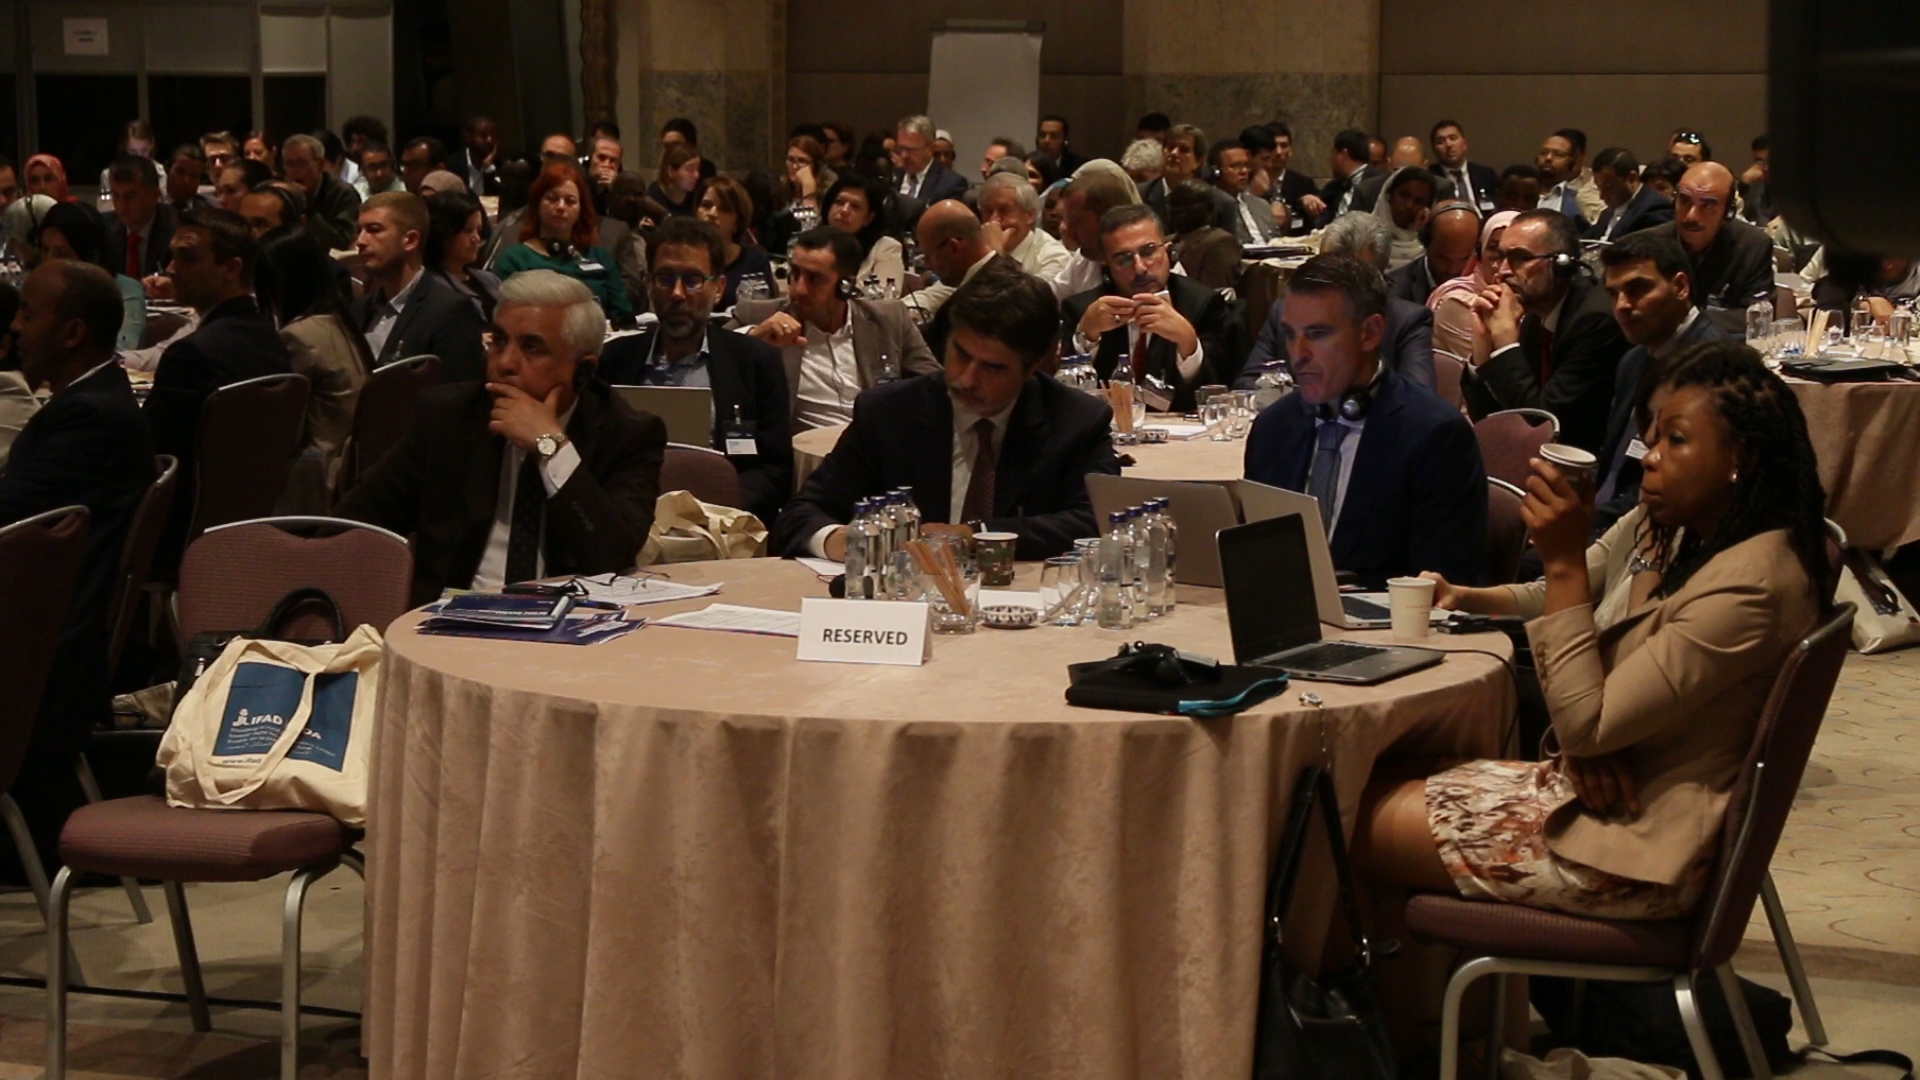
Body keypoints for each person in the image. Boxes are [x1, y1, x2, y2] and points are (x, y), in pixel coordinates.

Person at [1362, 342, 1830, 929]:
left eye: (1675, 440)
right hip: (1611, 798)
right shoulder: (1706, 535)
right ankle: (1413, 986)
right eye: (1652, 438)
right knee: (1362, 780)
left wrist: (1561, 562)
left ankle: (1355, 982)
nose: (1650, 458)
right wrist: (1594, 745)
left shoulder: (1751, 584)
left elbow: (1586, 723)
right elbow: (1606, 713)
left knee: (1342, 818)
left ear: (1742, 457)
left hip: (1632, 851)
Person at [336, 270, 667, 605]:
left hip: (572, 622)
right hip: (452, 620)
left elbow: (612, 556)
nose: (505, 363)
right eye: (498, 341)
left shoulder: (628, 434)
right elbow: (351, 522)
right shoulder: (448, 418)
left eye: (531, 348)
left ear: (583, 370)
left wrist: (552, 448)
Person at [773, 261, 1119, 561]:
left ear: (1031, 369)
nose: (966, 379)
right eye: (961, 355)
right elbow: (800, 514)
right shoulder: (889, 412)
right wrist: (839, 540)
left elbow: (1096, 522)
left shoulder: (1075, 420)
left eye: (993, 368)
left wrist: (976, 536)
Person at [1243, 252, 1486, 587]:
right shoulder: (1273, 429)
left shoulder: (1435, 436)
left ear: (1370, 333)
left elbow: (1443, 589)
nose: (1297, 355)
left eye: (1317, 334)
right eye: (1290, 334)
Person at [0, 261, 155, 767]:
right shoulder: (97, 398)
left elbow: (10, 523)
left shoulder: (90, 419)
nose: (15, 326)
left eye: (28, 313)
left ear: (72, 333)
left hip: (40, 653)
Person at [598, 217, 792, 524]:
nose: (677, 293)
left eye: (693, 280)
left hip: (721, 525)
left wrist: (718, 511)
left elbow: (775, 470)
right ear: (648, 283)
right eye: (665, 278)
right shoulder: (615, 360)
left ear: (719, 289)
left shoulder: (754, 362)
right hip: (630, 522)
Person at [144, 208, 293, 574]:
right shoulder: (270, 340)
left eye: (188, 257)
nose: (172, 269)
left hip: (176, 536)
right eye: (172, 256)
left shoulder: (191, 354)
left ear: (231, 268)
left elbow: (151, 458)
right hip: (250, 523)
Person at [729, 227, 939, 430]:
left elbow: (937, 385)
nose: (799, 289)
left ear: (846, 286)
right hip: (806, 449)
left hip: (876, 442)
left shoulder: (889, 319)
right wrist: (752, 337)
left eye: (815, 279)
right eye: (795, 273)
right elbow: (714, 353)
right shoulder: (760, 315)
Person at [1587, 231, 1726, 532]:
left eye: (1637, 288)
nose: (1622, 305)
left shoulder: (1714, 367)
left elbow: (1680, 489)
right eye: (1613, 294)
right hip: (1607, 516)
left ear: (1680, 287)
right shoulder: (1633, 360)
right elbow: (1612, 464)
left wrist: (1585, 521)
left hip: (1659, 528)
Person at [1468, 209, 1629, 452]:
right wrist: (1483, 352)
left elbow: (1544, 426)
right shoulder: (1535, 317)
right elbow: (1487, 421)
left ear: (1561, 266)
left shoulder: (1596, 321)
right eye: (1501, 257)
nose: (1502, 271)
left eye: (1520, 258)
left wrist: (1505, 344)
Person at [1063, 204, 1241, 412]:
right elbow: (1063, 399)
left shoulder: (1202, 305)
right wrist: (1086, 339)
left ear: (1167, 251)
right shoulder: (1082, 310)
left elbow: (1217, 393)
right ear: (1106, 265)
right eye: (1123, 259)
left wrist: (1188, 343)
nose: (1139, 268)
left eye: (1148, 252)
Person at [1239, 213, 1435, 391]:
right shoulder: (1286, 313)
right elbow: (1247, 384)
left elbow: (1418, 399)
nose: (1335, 287)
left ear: (1380, 276)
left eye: (1351, 279)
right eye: (1326, 272)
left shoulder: (1406, 321)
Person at [256, 227, 374, 512]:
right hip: (352, 463)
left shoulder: (298, 336)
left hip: (316, 474)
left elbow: (284, 428)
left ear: (278, 284)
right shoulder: (339, 320)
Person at [353, 191, 490, 381]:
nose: (360, 241)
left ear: (410, 240)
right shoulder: (359, 309)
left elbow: (458, 393)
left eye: (374, 230)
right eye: (359, 230)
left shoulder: (451, 311)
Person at [494, 160, 633, 318]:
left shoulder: (600, 257)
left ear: (580, 209)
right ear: (537, 205)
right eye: (552, 198)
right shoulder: (514, 260)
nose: (561, 207)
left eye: (570, 201)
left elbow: (623, 313)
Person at [1646, 162, 1775, 313]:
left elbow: (1757, 316)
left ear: (1728, 212)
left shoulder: (1753, 246)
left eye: (1707, 206)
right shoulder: (1651, 245)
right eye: (1685, 201)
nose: (1691, 216)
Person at [903, 200, 1020, 362]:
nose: (928, 265)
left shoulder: (976, 303)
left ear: (954, 247)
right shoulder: (1014, 276)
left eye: (929, 256)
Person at [35, 201, 145, 351]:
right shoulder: (36, 290)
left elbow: (124, 350)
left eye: (61, 254)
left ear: (90, 257)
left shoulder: (125, 291)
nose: (48, 261)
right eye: (44, 249)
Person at [1428, 209, 1517, 361]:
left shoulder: (1536, 298)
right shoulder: (1457, 301)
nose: (1504, 266)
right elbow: (1495, 368)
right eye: (1495, 251)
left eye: (1517, 255)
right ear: (1480, 253)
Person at [1049, 164, 1140, 300]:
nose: (1066, 230)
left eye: (1076, 222)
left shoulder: (1145, 264)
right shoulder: (1083, 261)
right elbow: (1047, 297)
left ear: (1108, 220)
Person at [696, 176, 773, 309]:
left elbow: (763, 312)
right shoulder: (682, 259)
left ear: (738, 222)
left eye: (724, 209)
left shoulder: (755, 263)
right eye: (706, 205)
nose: (712, 213)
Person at [822, 173, 905, 293]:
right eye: (839, 202)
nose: (844, 210)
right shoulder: (812, 242)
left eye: (855, 206)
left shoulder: (885, 248)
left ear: (869, 218)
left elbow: (886, 298)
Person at [1387, 200, 1479, 308]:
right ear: (1425, 242)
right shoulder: (1393, 291)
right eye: (1443, 258)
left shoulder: (1487, 284)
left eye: (1465, 258)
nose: (1453, 270)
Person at [425, 190, 500, 321]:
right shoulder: (429, 287)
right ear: (444, 232)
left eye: (478, 230)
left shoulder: (490, 279)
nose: (476, 238)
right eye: (468, 230)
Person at [281, 133, 362, 251]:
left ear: (320, 165)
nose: (295, 170)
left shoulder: (343, 193)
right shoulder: (282, 192)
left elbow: (342, 241)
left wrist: (305, 207)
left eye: (302, 163)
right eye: (289, 164)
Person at [104, 155, 176, 280]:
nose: (121, 205)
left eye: (131, 196)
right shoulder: (104, 228)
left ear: (155, 196)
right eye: (116, 195)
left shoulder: (175, 231)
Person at [1166, 179, 1242, 291]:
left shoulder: (1220, 243)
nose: (1177, 210)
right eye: (1174, 204)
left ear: (1209, 209)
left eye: (1187, 204)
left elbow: (1213, 295)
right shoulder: (1164, 242)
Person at [1587, 148, 1672, 242]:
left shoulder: (1655, 208)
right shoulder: (1607, 213)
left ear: (1632, 179)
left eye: (1608, 187)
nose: (1602, 196)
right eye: (1599, 188)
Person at [1369, 167, 1438, 269]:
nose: (1409, 206)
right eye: (1404, 196)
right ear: (1389, 194)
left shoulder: (1429, 251)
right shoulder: (1363, 238)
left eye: (1418, 201)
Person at [1209, 139, 1275, 245]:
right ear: (1216, 172)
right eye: (1235, 166)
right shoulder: (1210, 209)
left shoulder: (1262, 205)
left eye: (1246, 165)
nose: (1244, 171)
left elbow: (1277, 240)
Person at [893, 115, 967, 204]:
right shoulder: (892, 177)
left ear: (931, 148)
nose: (904, 155)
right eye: (901, 148)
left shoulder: (951, 184)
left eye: (911, 150)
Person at [1429, 120, 1498, 212]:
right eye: (1440, 141)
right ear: (1434, 149)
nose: (1448, 145)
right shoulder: (1430, 179)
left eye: (1453, 138)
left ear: (1464, 143)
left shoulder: (1486, 174)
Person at [1318, 128, 1377, 224]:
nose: (1332, 161)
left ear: (1343, 154)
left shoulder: (1378, 184)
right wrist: (1305, 200)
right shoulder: (1335, 186)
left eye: (1333, 154)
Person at [1535, 130, 1590, 223]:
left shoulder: (1578, 201)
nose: (1548, 158)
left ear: (1572, 162)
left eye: (1558, 154)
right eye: (1543, 153)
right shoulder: (1520, 193)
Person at [448, 115, 502, 196]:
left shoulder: (499, 165)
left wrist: (489, 168)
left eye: (493, 136)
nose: (490, 140)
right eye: (483, 136)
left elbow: (501, 194)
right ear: (469, 138)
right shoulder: (453, 164)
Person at [163, 145, 211, 215]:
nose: (186, 181)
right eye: (180, 172)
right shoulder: (151, 204)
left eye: (194, 176)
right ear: (167, 168)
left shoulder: (209, 210)